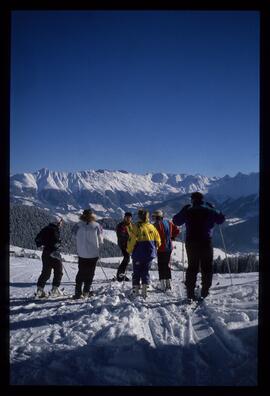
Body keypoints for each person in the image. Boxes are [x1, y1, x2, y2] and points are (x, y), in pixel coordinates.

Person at [172, 192, 225, 301]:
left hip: (191, 242)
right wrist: (213, 208)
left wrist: (183, 210)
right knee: (207, 266)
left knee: (192, 266)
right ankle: (205, 291)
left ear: (192, 200)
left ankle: (190, 293)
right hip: (206, 242)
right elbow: (221, 219)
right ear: (202, 199)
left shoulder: (188, 210)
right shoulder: (209, 210)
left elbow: (176, 221)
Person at [127, 208, 161, 299]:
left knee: (137, 271)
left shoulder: (136, 227)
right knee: (145, 271)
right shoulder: (151, 227)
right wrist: (155, 247)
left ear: (139, 217)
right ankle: (145, 290)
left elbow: (132, 240)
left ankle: (135, 290)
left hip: (138, 253)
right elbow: (158, 241)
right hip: (149, 253)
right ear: (147, 216)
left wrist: (129, 250)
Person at [72, 209, 103, 299]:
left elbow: (73, 235)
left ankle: (78, 292)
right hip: (93, 254)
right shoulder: (97, 225)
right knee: (90, 273)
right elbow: (101, 239)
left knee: (81, 272)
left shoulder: (77, 225)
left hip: (82, 253)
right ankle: (86, 291)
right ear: (92, 215)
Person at [35, 216, 64, 297]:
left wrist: (44, 244)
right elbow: (55, 243)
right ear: (57, 223)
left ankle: (40, 290)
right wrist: (58, 244)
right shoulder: (55, 230)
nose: (61, 224)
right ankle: (55, 290)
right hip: (54, 253)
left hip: (45, 253)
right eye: (60, 222)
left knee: (46, 272)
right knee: (58, 271)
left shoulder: (45, 229)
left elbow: (37, 240)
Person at [152, 209, 180, 291]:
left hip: (160, 248)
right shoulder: (168, 223)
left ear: (156, 217)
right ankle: (168, 283)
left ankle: (162, 284)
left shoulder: (154, 226)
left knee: (161, 265)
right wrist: (172, 237)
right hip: (169, 247)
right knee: (167, 265)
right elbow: (177, 230)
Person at [115, 212, 133, 281]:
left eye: (129, 217)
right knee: (126, 258)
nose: (128, 219)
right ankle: (120, 275)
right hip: (123, 245)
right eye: (127, 217)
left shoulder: (131, 225)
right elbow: (121, 235)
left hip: (129, 245)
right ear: (124, 217)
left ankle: (121, 275)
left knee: (127, 259)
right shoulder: (121, 225)